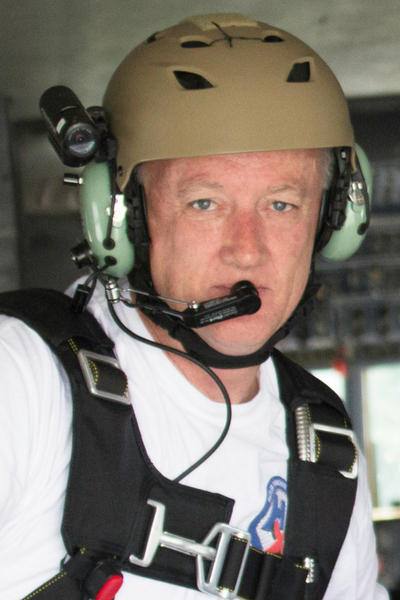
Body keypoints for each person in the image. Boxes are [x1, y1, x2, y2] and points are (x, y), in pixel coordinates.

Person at [0, 12, 388, 600]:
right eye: (205, 203)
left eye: (282, 205)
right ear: (122, 218)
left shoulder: (326, 455)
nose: (247, 251)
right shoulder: (23, 378)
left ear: (334, 221)